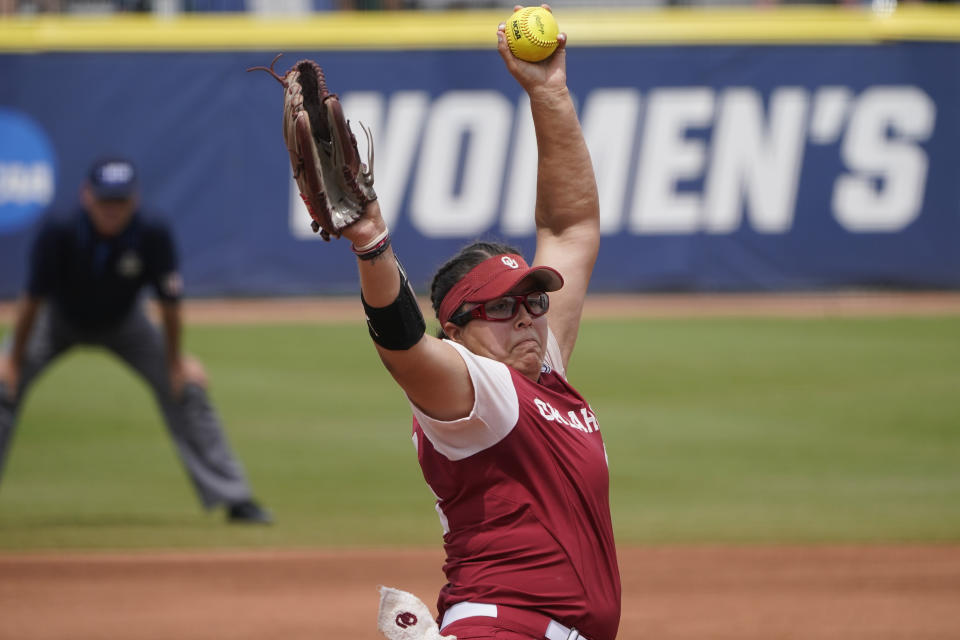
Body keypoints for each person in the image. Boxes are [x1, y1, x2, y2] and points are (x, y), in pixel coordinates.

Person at [351, 12, 620, 640]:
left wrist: (549, 93)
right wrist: (371, 245)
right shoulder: (478, 392)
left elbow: (571, 227)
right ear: (457, 332)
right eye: (499, 307)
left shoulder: (542, 377)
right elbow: (402, 345)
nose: (523, 316)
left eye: (531, 301)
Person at [0, 157, 272, 524]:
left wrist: (176, 362)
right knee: (1, 384)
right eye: (105, 201)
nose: (112, 210)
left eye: (120, 202)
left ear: (135, 199)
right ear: (86, 196)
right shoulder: (60, 230)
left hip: (126, 323)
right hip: (57, 321)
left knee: (187, 388)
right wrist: (13, 359)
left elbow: (170, 306)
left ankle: (235, 499)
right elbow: (33, 300)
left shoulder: (151, 232)